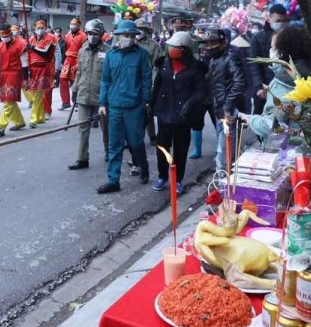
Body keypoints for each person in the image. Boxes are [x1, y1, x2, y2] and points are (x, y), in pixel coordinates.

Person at [96, 19, 152, 194]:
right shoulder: (111, 55)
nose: (128, 38)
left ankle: (143, 167)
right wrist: (102, 103)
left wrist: (145, 102)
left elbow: (146, 80)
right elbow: (105, 81)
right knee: (115, 144)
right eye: (125, 35)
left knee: (136, 142)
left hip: (134, 106)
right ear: (119, 36)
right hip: (114, 107)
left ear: (135, 37)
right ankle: (113, 180)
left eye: (131, 35)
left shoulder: (142, 54)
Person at [150, 31, 208, 195]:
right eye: (171, 46)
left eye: (175, 47)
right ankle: (162, 176)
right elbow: (157, 86)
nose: (171, 49)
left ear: (184, 49)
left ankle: (178, 180)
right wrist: (150, 104)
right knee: (162, 146)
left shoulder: (196, 68)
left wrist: (190, 104)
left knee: (181, 150)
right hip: (164, 113)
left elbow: (201, 92)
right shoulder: (163, 64)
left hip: (183, 116)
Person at [240, 25, 311, 142]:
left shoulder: (283, 82)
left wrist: (252, 120)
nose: (271, 52)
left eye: (273, 47)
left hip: (284, 151)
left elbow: (271, 125)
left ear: (282, 51)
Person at [202, 27, 248, 171]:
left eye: (213, 43)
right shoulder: (214, 59)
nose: (210, 47)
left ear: (223, 43)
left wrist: (228, 106)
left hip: (229, 111)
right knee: (225, 152)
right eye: (207, 44)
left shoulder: (230, 58)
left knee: (226, 156)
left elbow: (239, 82)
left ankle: (226, 186)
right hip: (220, 109)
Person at [68, 19, 108, 170]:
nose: (92, 36)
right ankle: (82, 159)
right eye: (89, 33)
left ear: (101, 34)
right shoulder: (82, 51)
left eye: (95, 33)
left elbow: (110, 78)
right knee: (83, 129)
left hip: (101, 98)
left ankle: (109, 153)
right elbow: (79, 73)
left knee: (106, 129)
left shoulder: (108, 52)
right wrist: (75, 89)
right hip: (84, 95)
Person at [246, 4, 286, 124]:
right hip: (264, 86)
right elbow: (254, 64)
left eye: (283, 21)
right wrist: (259, 86)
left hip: (283, 85)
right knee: (261, 118)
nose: (281, 24)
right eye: (278, 21)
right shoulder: (257, 38)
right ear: (269, 18)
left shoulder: (288, 37)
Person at [0, 23, 29, 135]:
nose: (4, 38)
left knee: (9, 100)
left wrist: (26, 79)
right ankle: (19, 121)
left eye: (6, 35)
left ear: (11, 34)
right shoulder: (0, 46)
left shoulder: (20, 45)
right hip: (4, 75)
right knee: (9, 100)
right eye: (2, 36)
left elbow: (24, 64)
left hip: (15, 74)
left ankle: (1, 125)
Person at [25, 20, 56, 128]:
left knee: (37, 95)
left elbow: (46, 53)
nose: (40, 29)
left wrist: (33, 48)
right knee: (34, 94)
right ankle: (41, 116)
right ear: (34, 28)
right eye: (38, 28)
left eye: (42, 27)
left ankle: (33, 119)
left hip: (43, 69)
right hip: (33, 70)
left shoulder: (49, 39)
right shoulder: (31, 39)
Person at [58, 17, 86, 111]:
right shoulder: (67, 35)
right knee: (63, 80)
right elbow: (64, 49)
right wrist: (62, 62)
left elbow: (84, 51)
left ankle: (77, 102)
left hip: (78, 60)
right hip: (67, 60)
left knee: (76, 82)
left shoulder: (83, 36)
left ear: (79, 25)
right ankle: (65, 102)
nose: (72, 25)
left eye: (74, 24)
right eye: (71, 23)